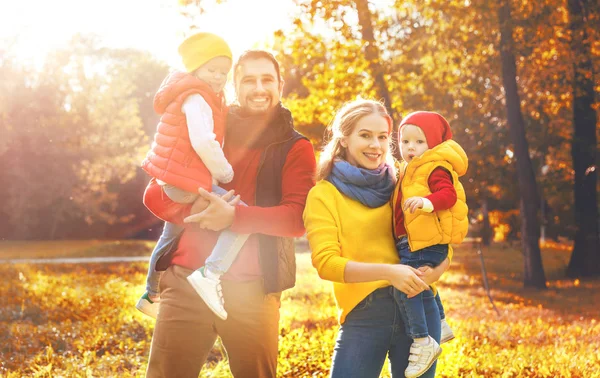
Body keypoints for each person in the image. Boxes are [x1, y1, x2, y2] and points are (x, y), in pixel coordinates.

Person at [142, 49, 317, 378]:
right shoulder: (207, 129)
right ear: (235, 86)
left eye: (267, 79)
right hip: (185, 280)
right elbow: (155, 192)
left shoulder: (296, 147)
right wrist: (199, 207)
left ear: (280, 85)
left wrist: (233, 218)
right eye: (248, 80)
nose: (259, 88)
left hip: (255, 290)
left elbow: (296, 219)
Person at [303, 99, 449, 378]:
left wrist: (435, 271)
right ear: (344, 139)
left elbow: (442, 236)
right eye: (365, 135)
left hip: (419, 309)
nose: (376, 145)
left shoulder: (403, 184)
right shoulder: (324, 194)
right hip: (364, 314)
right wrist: (390, 273)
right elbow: (326, 263)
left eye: (382, 137)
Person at [137, 32, 251, 321]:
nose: (218, 77)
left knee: (171, 233)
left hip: (173, 179)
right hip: (184, 180)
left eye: (224, 73)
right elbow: (203, 141)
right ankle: (210, 274)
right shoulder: (196, 97)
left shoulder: (194, 94)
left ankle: (150, 294)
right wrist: (225, 171)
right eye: (212, 70)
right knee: (242, 217)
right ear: (196, 69)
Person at [392, 111, 468, 377]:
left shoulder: (434, 167)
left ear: (433, 144)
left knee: (405, 288)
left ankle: (423, 340)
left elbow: (448, 195)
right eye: (405, 141)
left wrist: (427, 202)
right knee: (423, 282)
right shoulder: (409, 170)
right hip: (415, 242)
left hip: (427, 242)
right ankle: (442, 323)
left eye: (419, 142)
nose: (411, 147)